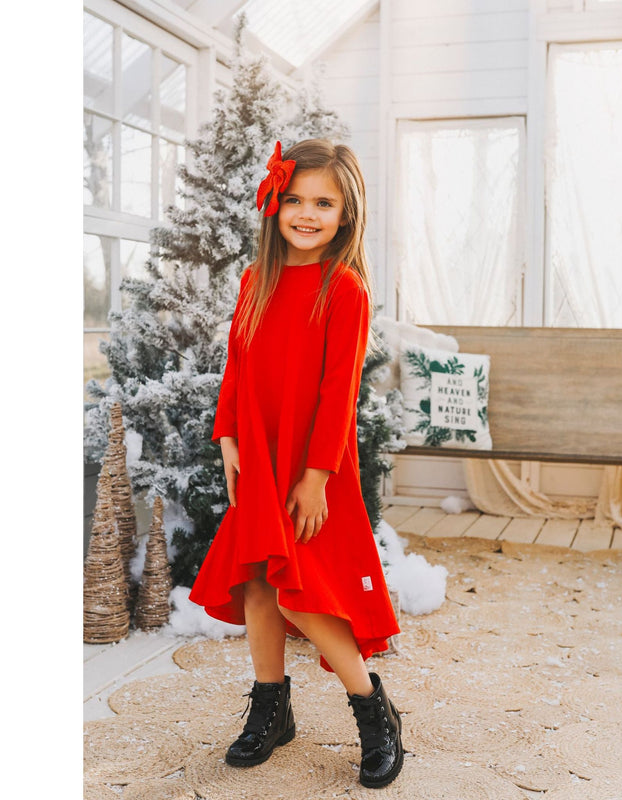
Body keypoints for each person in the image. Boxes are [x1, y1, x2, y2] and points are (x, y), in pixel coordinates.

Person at [189, 139, 403, 789]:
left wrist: (316, 478)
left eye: (323, 203)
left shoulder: (345, 289)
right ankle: (271, 707)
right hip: (257, 452)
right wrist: (228, 438)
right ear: (274, 205)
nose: (306, 213)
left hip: (312, 464)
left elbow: (340, 392)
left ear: (346, 215)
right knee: (257, 581)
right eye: (294, 199)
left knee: (300, 591)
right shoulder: (256, 281)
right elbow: (237, 363)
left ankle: (374, 709)